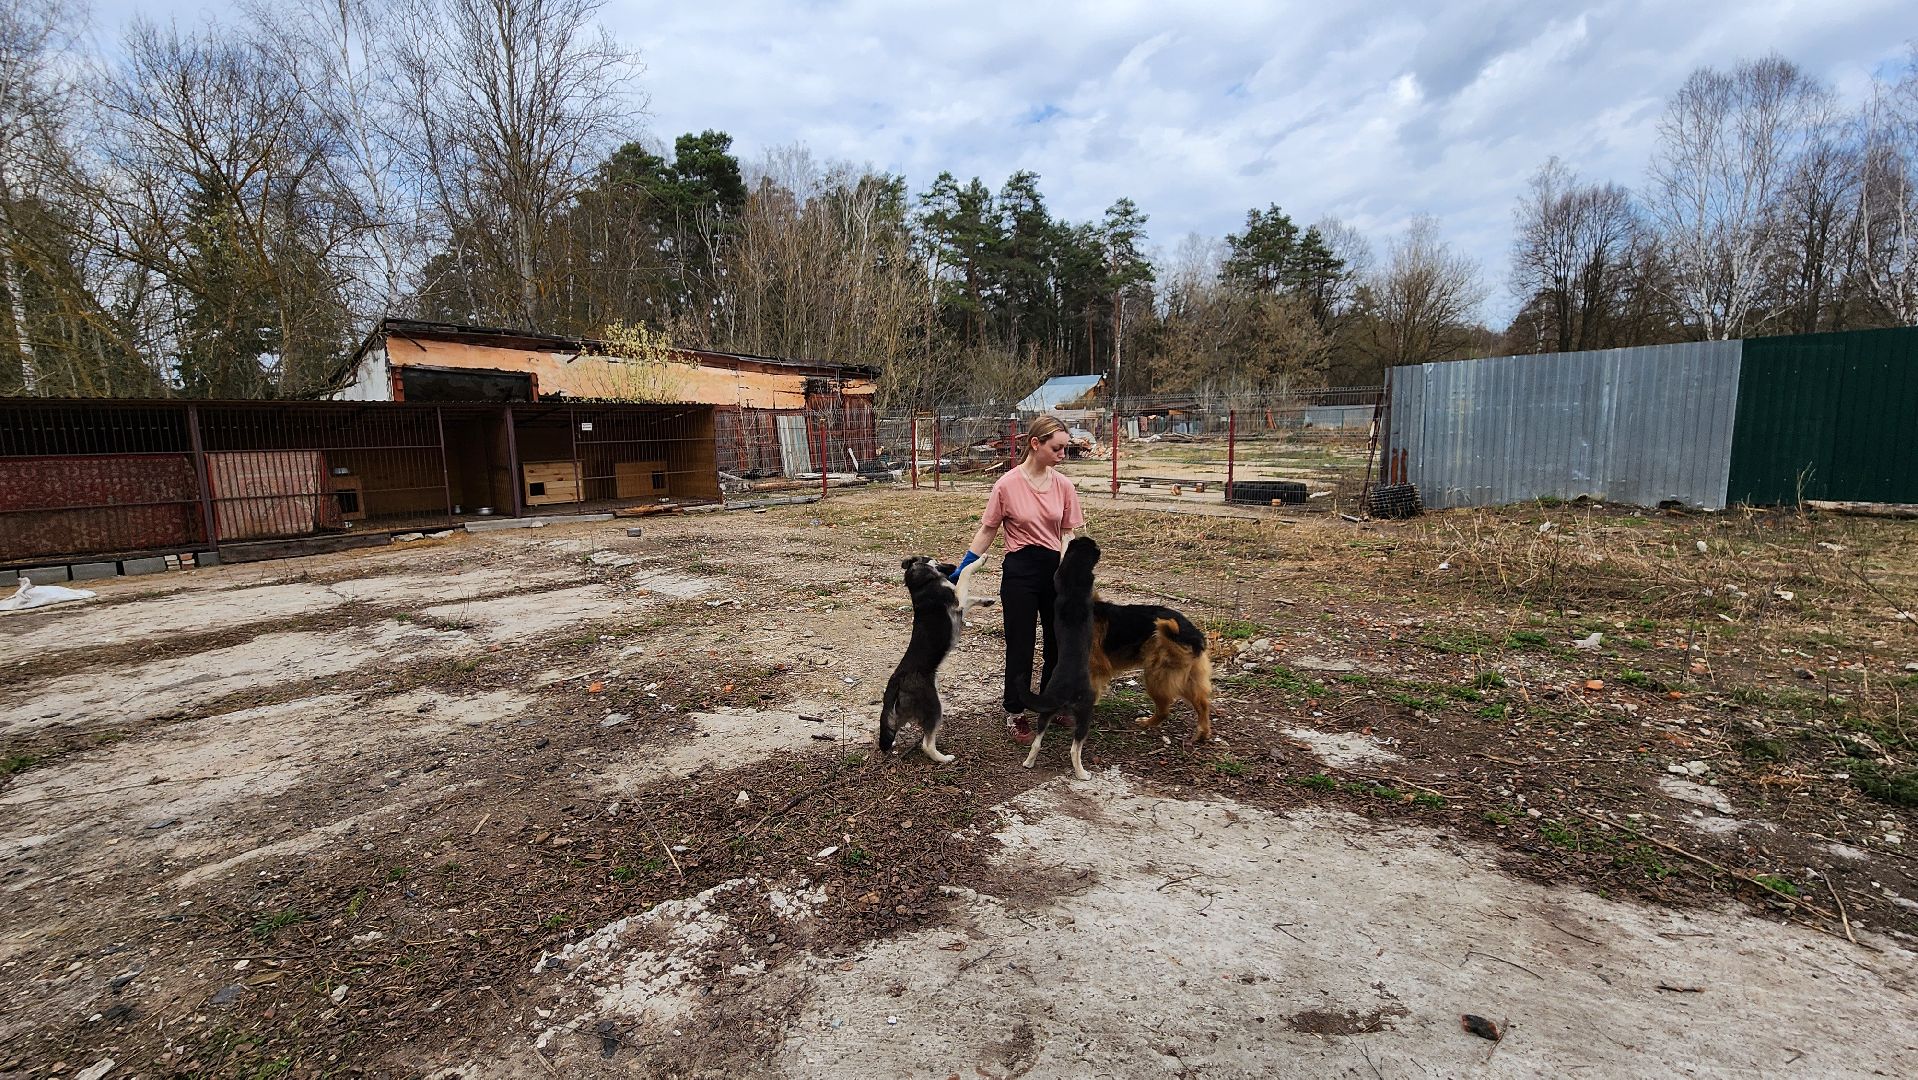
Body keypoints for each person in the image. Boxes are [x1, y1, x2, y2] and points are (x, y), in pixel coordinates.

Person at [950, 414, 1085, 745]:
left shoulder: (1064, 486)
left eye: (1065, 449)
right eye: (1057, 448)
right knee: (1020, 644)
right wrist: (961, 570)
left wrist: (1072, 573)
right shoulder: (1006, 485)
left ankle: (1053, 703)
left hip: (1055, 570)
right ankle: (1016, 710)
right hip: (1020, 572)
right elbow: (988, 530)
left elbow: (1067, 533)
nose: (1062, 455)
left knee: (1059, 641)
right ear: (1035, 444)